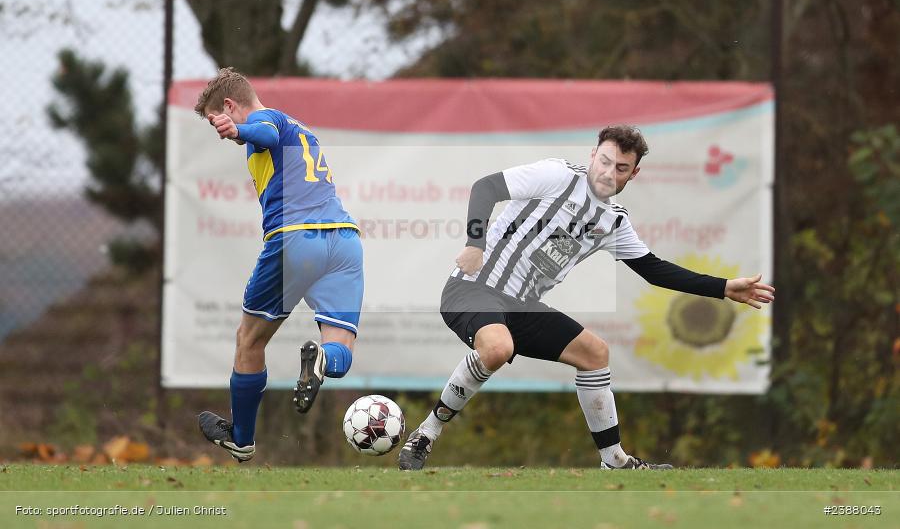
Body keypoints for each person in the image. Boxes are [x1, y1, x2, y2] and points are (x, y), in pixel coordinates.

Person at [398, 125, 774, 471]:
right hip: (472, 288)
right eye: (606, 161)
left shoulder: (613, 221)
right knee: (496, 348)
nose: (610, 173)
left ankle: (614, 460)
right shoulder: (557, 175)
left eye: (622, 168)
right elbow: (485, 187)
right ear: (593, 154)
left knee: (594, 354)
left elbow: (653, 269)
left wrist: (722, 288)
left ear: (634, 174)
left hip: (521, 307)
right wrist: (474, 243)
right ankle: (426, 434)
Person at [193, 68, 363, 462]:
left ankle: (242, 437)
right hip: (344, 240)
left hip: (296, 239)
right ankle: (322, 360)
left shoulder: (263, 120)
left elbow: (264, 133)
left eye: (220, 117)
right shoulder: (303, 129)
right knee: (341, 347)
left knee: (249, 340)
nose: (224, 130)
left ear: (230, 106)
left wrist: (239, 131)